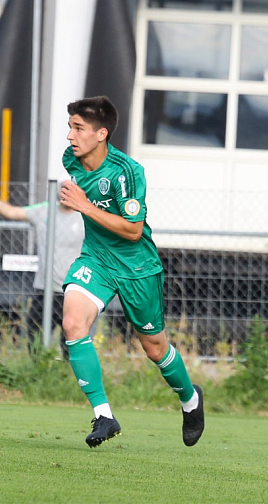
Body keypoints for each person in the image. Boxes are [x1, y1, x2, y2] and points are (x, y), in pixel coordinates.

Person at [58, 96, 204, 448]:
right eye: (70, 127)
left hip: (137, 267)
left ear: (101, 134)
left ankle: (190, 399)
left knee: (154, 348)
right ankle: (104, 416)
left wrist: (84, 206)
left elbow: (133, 230)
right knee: (73, 323)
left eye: (78, 128)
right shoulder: (71, 160)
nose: (70, 136)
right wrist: (84, 207)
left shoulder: (127, 171)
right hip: (96, 259)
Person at [0, 174, 94, 360]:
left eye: (71, 188)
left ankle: (68, 373)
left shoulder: (85, 216)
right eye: (63, 188)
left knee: (71, 342)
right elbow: (10, 212)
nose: (66, 192)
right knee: (34, 336)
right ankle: (39, 369)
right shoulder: (43, 211)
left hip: (73, 292)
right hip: (44, 290)